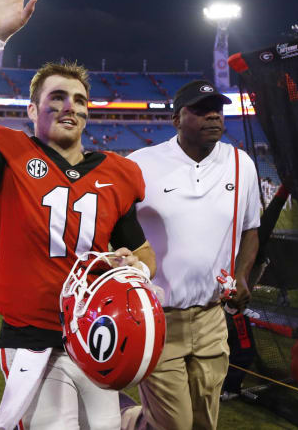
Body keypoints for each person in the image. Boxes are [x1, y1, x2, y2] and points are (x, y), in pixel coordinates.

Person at [0, 0, 156, 429]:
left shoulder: (119, 171)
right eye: (56, 97)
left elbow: (143, 251)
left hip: (97, 333)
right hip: (33, 340)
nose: (70, 106)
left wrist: (137, 266)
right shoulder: (8, 154)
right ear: (32, 108)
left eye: (79, 100)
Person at [123, 80, 261, 430]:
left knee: (203, 423)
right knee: (173, 424)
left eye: (217, 108)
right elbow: (115, 229)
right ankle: (124, 419)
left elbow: (250, 229)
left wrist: (242, 276)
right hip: (158, 320)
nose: (213, 115)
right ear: (177, 119)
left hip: (212, 319)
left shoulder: (241, 163)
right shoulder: (140, 164)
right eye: (200, 110)